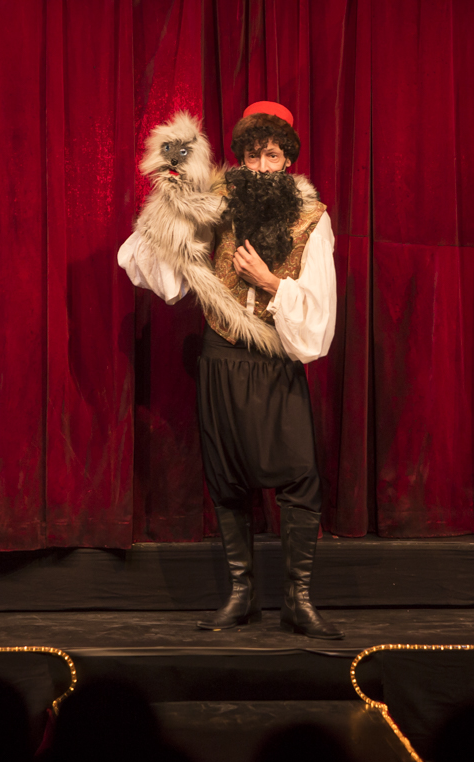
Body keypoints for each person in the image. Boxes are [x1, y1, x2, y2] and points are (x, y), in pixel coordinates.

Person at [118, 101, 341, 640]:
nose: (261, 167)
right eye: (252, 155)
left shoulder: (313, 218)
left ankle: (298, 600)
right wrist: (170, 201)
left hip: (275, 360)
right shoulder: (216, 206)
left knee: (298, 478)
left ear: (288, 160)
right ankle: (241, 596)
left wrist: (270, 283)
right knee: (227, 480)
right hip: (221, 359)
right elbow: (156, 271)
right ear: (240, 158)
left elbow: (320, 315)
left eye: (272, 155)